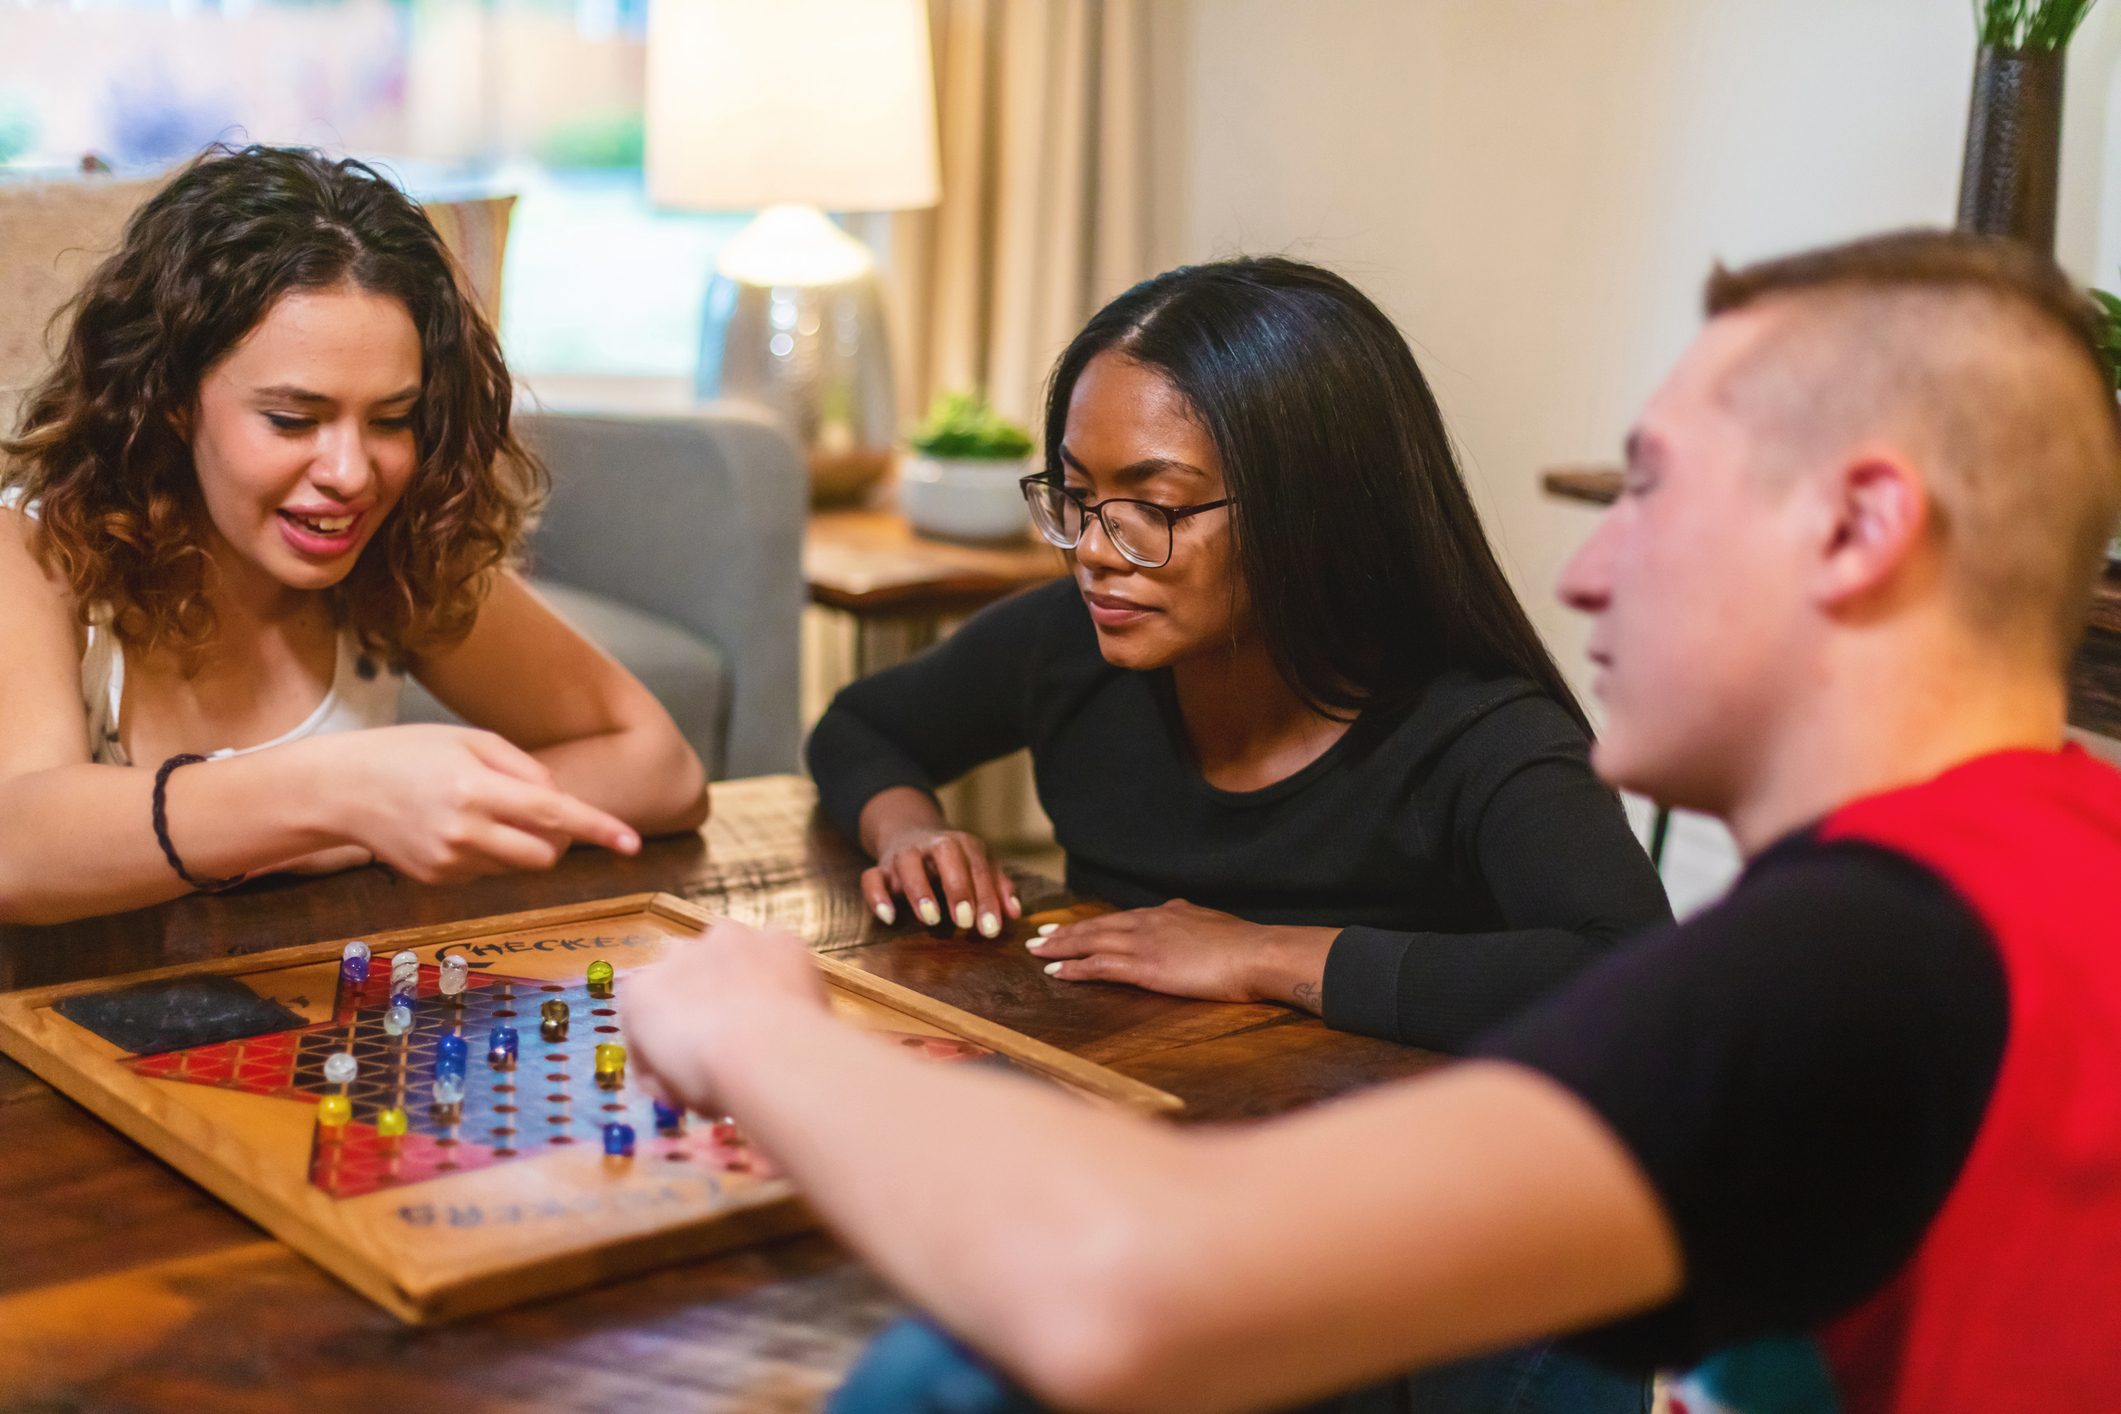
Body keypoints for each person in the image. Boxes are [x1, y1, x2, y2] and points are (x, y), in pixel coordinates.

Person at [622, 229, 2121, 1414]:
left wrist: (762, 1028)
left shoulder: (1858, 957)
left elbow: (1121, 1290)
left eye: (1648, 490)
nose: (1588, 571)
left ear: (1860, 529)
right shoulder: (2041, 870)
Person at [808, 257, 1670, 1051]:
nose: (1094, 550)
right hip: (1133, 1102)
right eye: (1075, 494)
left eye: (1155, 504)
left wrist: (1260, 955)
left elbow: (1638, 978)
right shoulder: (1068, 644)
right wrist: (911, 830)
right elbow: (862, 727)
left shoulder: (1478, 733)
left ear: (1311, 511)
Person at [0, 145, 709, 926]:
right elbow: (18, 844)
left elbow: (661, 767)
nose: (350, 473)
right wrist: (344, 794)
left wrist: (386, 825)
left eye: (391, 419)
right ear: (169, 399)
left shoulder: (395, 554)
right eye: (292, 420)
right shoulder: (38, 548)